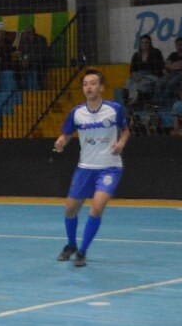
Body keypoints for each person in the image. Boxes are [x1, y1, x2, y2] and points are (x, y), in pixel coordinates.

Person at [53, 69, 129, 267]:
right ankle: (70, 245)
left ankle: (82, 252)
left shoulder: (114, 109)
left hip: (109, 168)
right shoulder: (77, 113)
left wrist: (121, 144)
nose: (89, 87)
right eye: (85, 84)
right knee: (70, 210)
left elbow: (125, 131)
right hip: (85, 168)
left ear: (101, 87)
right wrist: (61, 142)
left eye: (93, 83)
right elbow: (66, 134)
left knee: (96, 209)